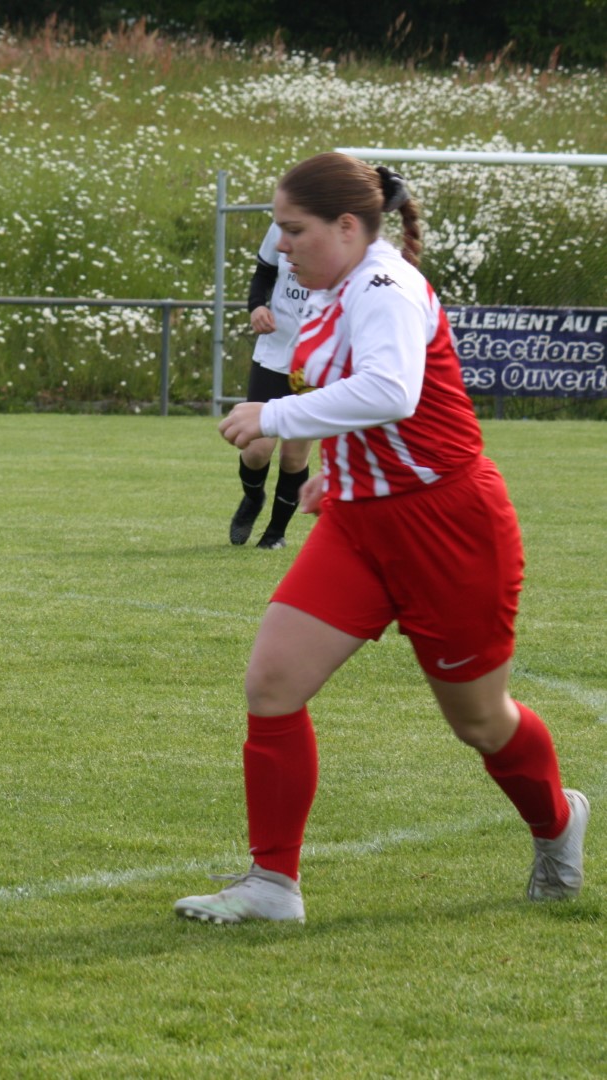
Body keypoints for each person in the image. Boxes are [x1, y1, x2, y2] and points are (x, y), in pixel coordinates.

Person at [177, 152, 588, 924]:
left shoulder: (385, 286)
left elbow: (392, 390)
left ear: (346, 226)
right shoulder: (331, 288)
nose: (281, 245)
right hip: (360, 525)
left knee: (480, 721)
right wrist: (337, 474)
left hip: (448, 528)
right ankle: (272, 885)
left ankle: (558, 819)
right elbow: (361, 399)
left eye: (293, 229)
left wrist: (273, 416)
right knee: (272, 684)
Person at [228, 222, 313, 550]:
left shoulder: (340, 232)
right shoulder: (281, 224)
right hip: (274, 353)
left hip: (315, 363)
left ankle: (275, 533)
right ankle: (252, 498)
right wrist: (257, 306)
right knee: (256, 449)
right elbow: (263, 273)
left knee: (293, 456)